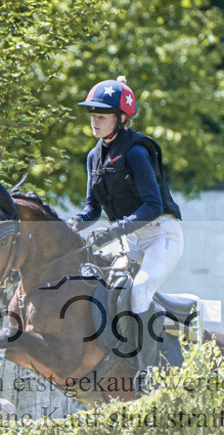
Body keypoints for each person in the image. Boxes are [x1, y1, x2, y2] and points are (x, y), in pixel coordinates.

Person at [67, 76, 183, 372]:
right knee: (106, 289)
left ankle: (149, 369)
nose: (94, 121)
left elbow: (153, 205)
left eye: (102, 115)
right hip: (130, 242)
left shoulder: (136, 152)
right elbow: (92, 210)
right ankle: (114, 359)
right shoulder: (94, 156)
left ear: (121, 118)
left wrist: (113, 230)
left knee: (140, 291)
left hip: (161, 237)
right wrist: (68, 226)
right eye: (92, 115)